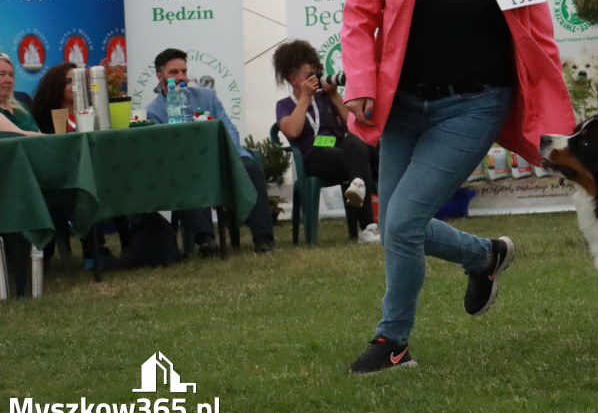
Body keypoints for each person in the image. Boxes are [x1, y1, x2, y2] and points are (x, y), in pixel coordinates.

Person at [340, 0, 576, 374]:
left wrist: (555, 124)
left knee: (399, 222)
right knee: (397, 220)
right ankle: (485, 256)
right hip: (402, 104)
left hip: (473, 104)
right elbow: (358, 11)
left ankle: (391, 342)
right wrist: (361, 82)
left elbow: (538, 43)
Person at [146, 48, 275, 253]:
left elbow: (229, 129)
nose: (181, 77)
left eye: (184, 71)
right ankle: (205, 240)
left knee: (249, 166)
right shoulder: (155, 111)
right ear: (159, 76)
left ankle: (263, 239)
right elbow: (164, 149)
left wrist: (227, 154)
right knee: (186, 173)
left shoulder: (207, 96)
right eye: (174, 72)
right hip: (187, 163)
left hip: (221, 157)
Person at [271, 39, 380, 243]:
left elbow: (352, 124)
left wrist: (335, 96)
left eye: (316, 74)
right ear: (294, 79)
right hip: (314, 157)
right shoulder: (284, 105)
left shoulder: (325, 97)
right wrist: (305, 96)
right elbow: (292, 131)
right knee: (359, 155)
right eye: (309, 76)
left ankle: (360, 186)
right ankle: (368, 227)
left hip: (344, 151)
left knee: (369, 145)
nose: (315, 79)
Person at [29, 61, 125, 269]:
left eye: (79, 82)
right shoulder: (43, 116)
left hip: (93, 171)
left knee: (115, 181)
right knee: (86, 186)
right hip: (59, 177)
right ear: (55, 86)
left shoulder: (94, 112)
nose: (75, 86)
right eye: (69, 82)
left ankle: (130, 245)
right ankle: (94, 254)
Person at [0, 52, 42, 136]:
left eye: (11, 75)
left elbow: (39, 136)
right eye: (2, 74)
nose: (9, 80)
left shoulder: (22, 108)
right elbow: (22, 136)